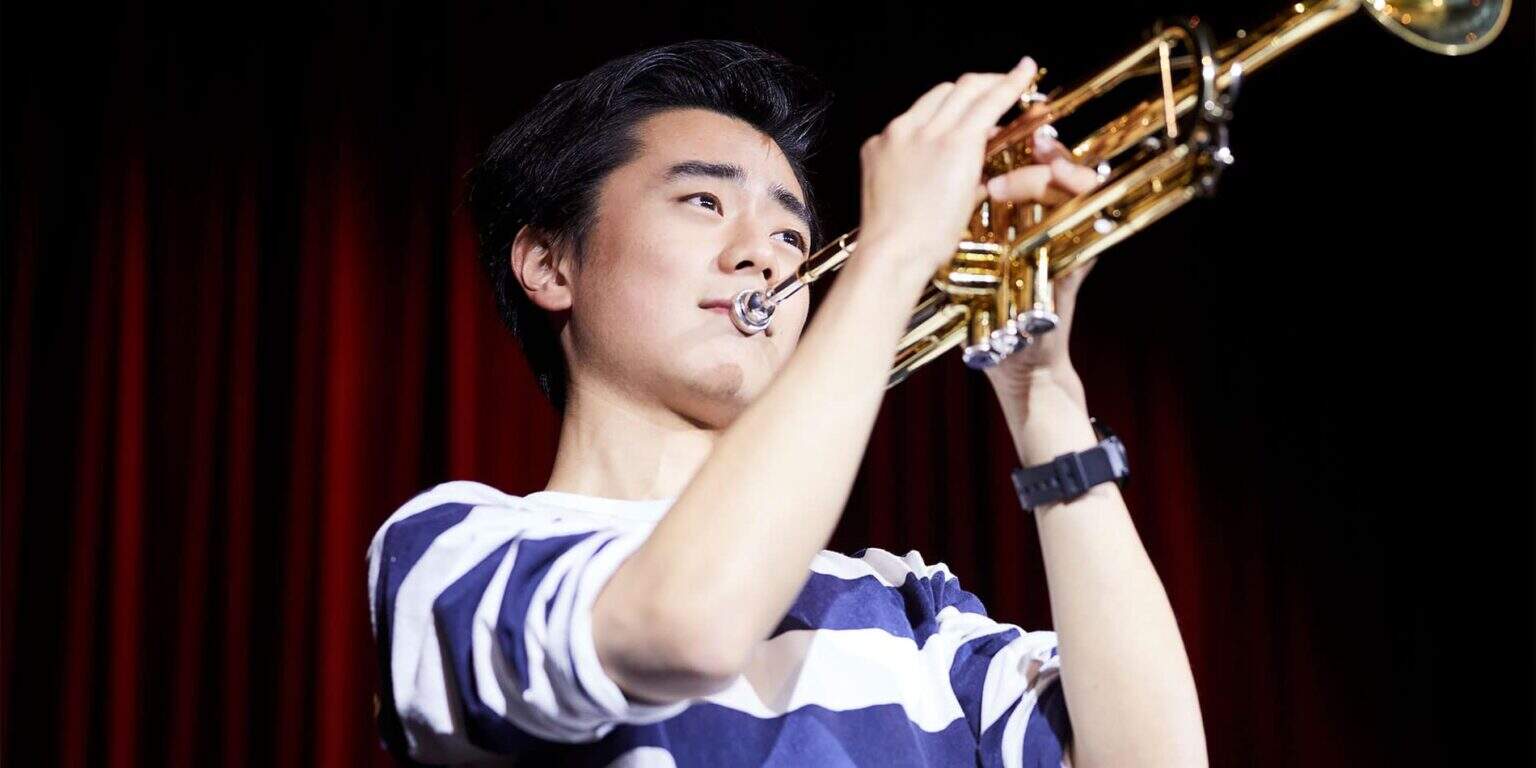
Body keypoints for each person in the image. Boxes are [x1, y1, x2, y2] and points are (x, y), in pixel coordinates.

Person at [366, 39, 1206, 767]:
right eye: (704, 202)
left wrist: (1045, 393)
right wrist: (892, 253)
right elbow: (686, 625)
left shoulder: (908, 605)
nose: (764, 260)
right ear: (551, 265)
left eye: (791, 237)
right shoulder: (456, 551)